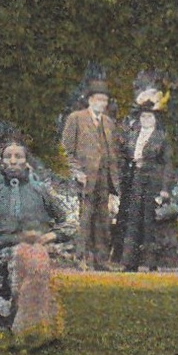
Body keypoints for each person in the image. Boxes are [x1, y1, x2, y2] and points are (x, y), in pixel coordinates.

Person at [0, 140, 71, 340]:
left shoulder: (41, 190)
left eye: (19, 156)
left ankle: (32, 330)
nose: (13, 161)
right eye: (8, 156)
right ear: (0, 162)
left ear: (27, 162)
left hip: (33, 251)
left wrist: (49, 237)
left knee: (33, 260)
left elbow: (69, 222)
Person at [61, 76, 120, 270]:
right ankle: (81, 259)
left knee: (103, 220)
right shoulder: (76, 118)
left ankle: (101, 261)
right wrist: (76, 172)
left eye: (104, 101)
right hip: (85, 179)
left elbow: (112, 152)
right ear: (90, 100)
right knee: (85, 219)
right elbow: (65, 151)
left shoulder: (109, 123)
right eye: (98, 100)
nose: (102, 104)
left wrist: (114, 179)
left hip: (104, 178)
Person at [115, 80, 174, 273]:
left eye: (149, 116)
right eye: (143, 116)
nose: (146, 119)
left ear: (155, 118)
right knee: (132, 220)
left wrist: (165, 189)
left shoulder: (161, 137)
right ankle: (129, 262)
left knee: (150, 221)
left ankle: (151, 262)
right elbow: (124, 156)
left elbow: (168, 164)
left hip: (153, 183)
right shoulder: (133, 134)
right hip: (134, 181)